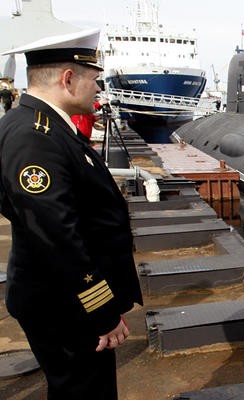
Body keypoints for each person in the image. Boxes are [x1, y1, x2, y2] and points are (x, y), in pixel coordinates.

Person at [0, 29, 143, 399]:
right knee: (84, 391)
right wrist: (101, 312)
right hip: (65, 306)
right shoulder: (34, 137)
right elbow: (55, 236)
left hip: (62, 299)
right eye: (94, 80)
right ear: (68, 79)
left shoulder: (39, 126)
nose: (98, 89)